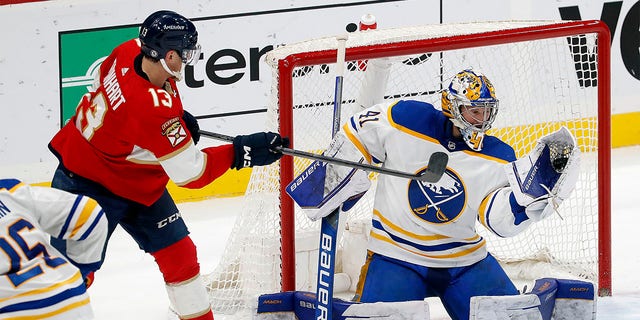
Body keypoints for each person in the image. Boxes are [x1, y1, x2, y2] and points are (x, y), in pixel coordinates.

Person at [47, 10, 287, 320]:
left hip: (134, 180)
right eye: (185, 52)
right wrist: (240, 153)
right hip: (83, 181)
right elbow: (192, 173)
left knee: (180, 256)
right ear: (168, 54)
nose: (188, 59)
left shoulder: (128, 51)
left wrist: (173, 125)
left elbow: (114, 97)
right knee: (68, 275)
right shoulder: (151, 109)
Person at [294, 69, 580, 320]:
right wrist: (333, 175)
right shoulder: (406, 119)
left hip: (464, 261)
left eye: (486, 111)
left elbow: (497, 219)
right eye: (474, 111)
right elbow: (360, 128)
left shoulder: (500, 156)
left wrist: (524, 202)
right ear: (453, 108)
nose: (482, 120)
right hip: (396, 255)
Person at [0, 178, 107, 319]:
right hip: (71, 300)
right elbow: (90, 214)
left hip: (14, 310)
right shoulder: (9, 191)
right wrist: (82, 270)